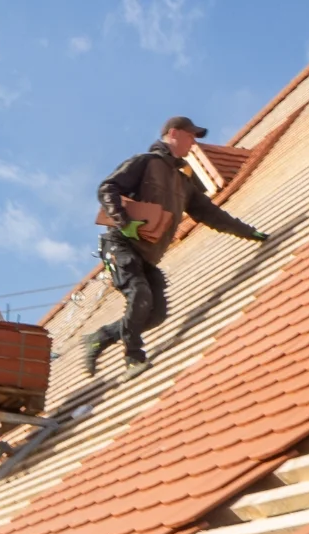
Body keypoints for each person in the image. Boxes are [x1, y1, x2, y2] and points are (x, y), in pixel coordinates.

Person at [89, 115, 269, 378]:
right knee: (139, 295)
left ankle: (102, 336)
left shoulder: (183, 184)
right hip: (120, 244)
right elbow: (107, 188)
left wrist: (249, 232)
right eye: (191, 136)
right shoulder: (145, 162)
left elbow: (212, 215)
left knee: (156, 314)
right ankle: (133, 358)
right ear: (173, 133)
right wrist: (124, 221)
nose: (194, 142)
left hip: (147, 254)